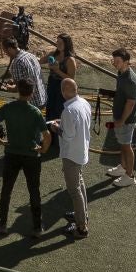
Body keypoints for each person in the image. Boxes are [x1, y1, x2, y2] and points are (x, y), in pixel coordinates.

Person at [0, 78, 50, 237]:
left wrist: (1, 141)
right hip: (31, 156)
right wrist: (43, 149)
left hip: (11, 154)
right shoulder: (35, 111)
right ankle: (37, 227)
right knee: (34, 191)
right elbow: (47, 135)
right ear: (32, 93)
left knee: (6, 190)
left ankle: (2, 224)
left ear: (18, 91)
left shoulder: (8, 108)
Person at [53, 77, 95, 239]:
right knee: (80, 183)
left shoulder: (68, 111)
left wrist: (56, 128)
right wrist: (62, 123)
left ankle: (82, 227)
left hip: (71, 154)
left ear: (64, 92)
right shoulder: (83, 103)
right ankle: (82, 215)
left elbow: (68, 135)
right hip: (81, 151)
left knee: (74, 189)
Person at [106, 47, 136, 187]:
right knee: (122, 143)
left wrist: (121, 121)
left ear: (126, 62)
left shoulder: (131, 81)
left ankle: (130, 175)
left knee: (127, 146)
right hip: (119, 115)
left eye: (118, 61)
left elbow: (131, 103)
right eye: (114, 60)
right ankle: (123, 167)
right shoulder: (121, 72)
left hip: (126, 119)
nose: (115, 63)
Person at [44, 32, 79, 125]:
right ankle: (49, 132)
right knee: (50, 109)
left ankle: (57, 134)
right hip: (52, 85)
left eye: (61, 43)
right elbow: (40, 60)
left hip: (63, 88)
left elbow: (71, 79)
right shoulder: (53, 54)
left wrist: (57, 70)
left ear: (66, 44)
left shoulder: (70, 60)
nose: (58, 44)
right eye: (57, 42)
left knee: (59, 111)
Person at [6, 36, 45, 115]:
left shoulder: (17, 63)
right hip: (42, 98)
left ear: (10, 49)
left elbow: (18, 89)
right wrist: (14, 80)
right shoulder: (30, 55)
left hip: (31, 102)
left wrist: (10, 88)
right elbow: (29, 75)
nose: (6, 54)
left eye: (5, 51)